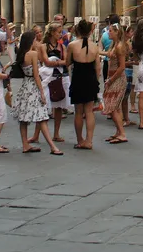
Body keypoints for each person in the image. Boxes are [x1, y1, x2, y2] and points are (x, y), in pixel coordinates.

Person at [11, 31, 63, 155]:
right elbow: (36, 75)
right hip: (33, 86)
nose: (36, 42)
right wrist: (42, 92)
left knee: (23, 119)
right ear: (31, 41)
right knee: (42, 117)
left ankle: (25, 145)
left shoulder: (22, 54)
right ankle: (52, 147)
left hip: (25, 87)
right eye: (35, 40)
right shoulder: (33, 54)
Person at [67, 19, 102, 149]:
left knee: (78, 111)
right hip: (90, 78)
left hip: (78, 77)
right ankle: (89, 140)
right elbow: (98, 67)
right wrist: (97, 81)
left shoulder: (72, 45)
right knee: (89, 111)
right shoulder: (94, 46)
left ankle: (80, 139)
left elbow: (67, 62)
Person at [101, 23, 129, 144]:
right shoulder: (114, 45)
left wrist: (111, 79)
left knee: (113, 106)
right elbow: (106, 54)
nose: (109, 33)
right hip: (112, 76)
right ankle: (118, 132)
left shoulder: (120, 46)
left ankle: (122, 133)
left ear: (117, 32)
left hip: (117, 78)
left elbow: (122, 67)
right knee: (114, 106)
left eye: (111, 31)